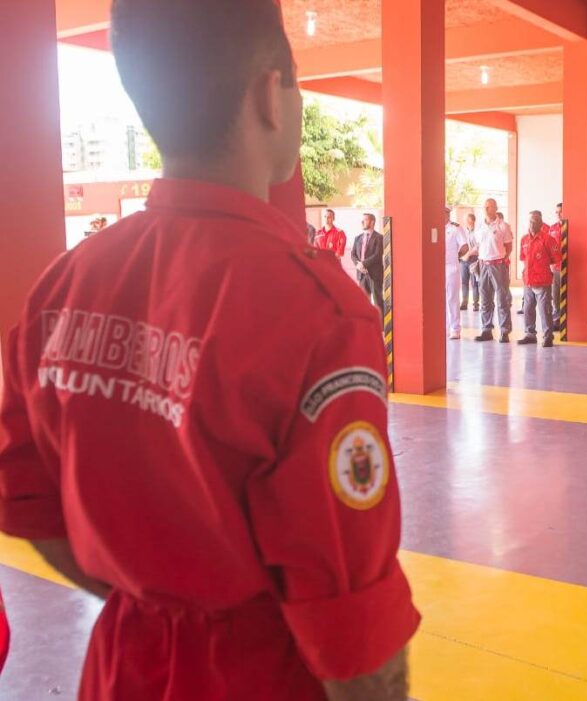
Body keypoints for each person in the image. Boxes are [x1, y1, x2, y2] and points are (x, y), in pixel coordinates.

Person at [0, 2, 418, 700]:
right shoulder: (317, 315)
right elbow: (357, 648)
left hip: (121, 671)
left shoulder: (62, 288)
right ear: (269, 96)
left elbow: (24, 497)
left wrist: (157, 602)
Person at [517, 211, 561, 348]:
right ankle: (530, 334)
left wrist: (542, 264)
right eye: (530, 221)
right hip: (528, 281)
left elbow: (556, 257)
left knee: (545, 310)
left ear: (541, 224)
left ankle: (548, 337)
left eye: (535, 221)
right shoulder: (524, 239)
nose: (532, 223)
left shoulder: (548, 239)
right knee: (528, 308)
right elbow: (523, 257)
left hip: (542, 281)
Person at [474, 199, 514, 343]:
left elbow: (509, 247)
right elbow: (478, 245)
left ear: (495, 208)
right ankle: (486, 330)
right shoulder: (479, 225)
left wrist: (500, 259)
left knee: (502, 299)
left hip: (498, 265)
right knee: (485, 299)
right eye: (484, 206)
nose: (485, 209)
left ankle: (504, 331)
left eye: (489, 206)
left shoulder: (503, 226)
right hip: (483, 265)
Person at [352, 213, 385, 316]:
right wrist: (358, 265)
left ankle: (381, 325)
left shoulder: (379, 237)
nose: (362, 222)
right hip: (361, 275)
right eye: (362, 220)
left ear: (372, 222)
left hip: (374, 275)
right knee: (363, 303)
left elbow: (377, 254)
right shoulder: (358, 238)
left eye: (365, 220)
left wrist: (363, 264)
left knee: (377, 302)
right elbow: (353, 254)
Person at [445, 208, 469, 339]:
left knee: (452, 298)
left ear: (447, 214)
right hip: (438, 268)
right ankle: (444, 327)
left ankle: (455, 328)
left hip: (451, 267)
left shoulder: (455, 229)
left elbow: (465, 247)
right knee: (440, 299)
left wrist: (456, 256)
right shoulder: (434, 228)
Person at [548, 203, 564, 323]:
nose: (558, 214)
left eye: (560, 212)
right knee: (555, 292)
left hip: (568, 266)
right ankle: (557, 314)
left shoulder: (570, 227)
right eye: (557, 212)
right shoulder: (552, 228)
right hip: (555, 267)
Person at [460, 212, 480, 311]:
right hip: (463, 260)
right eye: (466, 220)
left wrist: (468, 254)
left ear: (473, 221)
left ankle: (476, 304)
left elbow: (477, 247)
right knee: (464, 282)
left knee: (474, 283)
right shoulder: (464, 232)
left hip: (473, 259)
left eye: (468, 220)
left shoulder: (477, 232)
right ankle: (464, 303)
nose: (467, 222)